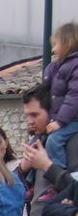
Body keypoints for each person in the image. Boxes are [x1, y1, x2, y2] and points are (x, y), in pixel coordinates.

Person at [21, 84, 78, 216]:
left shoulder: (71, 143)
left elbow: (74, 189)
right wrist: (23, 169)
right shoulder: (40, 142)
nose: (30, 121)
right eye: (27, 115)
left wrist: (46, 166)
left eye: (35, 115)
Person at [42, 22, 78, 170]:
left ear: (67, 44)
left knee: (54, 141)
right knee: (36, 142)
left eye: (56, 44)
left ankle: (59, 175)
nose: (53, 49)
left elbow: (74, 96)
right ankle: (31, 180)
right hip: (60, 119)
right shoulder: (57, 66)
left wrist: (60, 122)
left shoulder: (75, 65)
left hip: (72, 120)